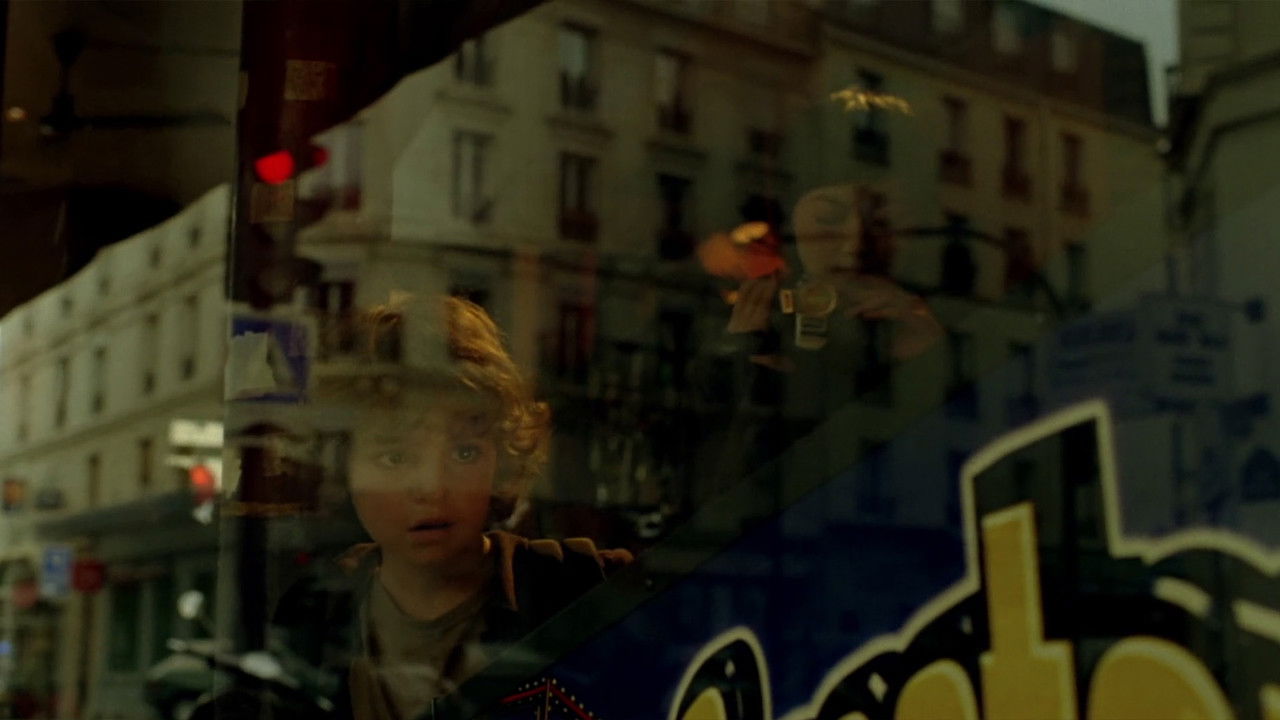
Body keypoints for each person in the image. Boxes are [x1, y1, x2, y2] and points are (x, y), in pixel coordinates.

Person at [284, 295, 631, 720]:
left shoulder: (582, 589)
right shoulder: (313, 611)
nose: (432, 488)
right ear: (344, 467)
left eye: (464, 453)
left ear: (500, 460)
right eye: (395, 457)